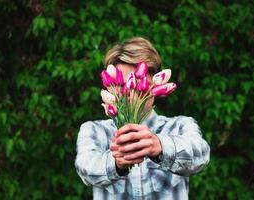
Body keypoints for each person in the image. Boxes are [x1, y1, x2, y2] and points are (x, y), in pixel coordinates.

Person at [75, 37, 210, 200]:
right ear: (110, 86)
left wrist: (159, 146)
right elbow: (86, 168)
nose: (130, 90)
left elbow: (201, 155)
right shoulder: (95, 130)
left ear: (155, 81)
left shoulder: (179, 126)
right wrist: (117, 162)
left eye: (138, 81)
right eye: (121, 84)